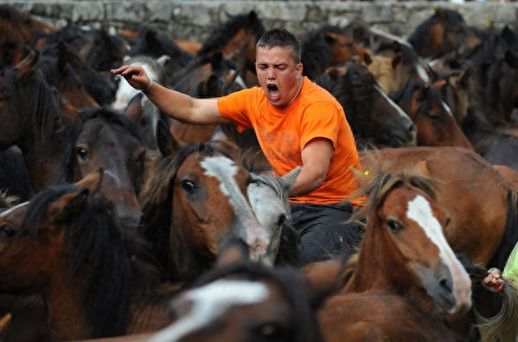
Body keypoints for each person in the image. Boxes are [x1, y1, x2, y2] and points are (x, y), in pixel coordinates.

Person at [112, 28, 363, 266]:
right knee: (239, 254)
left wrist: (262, 192)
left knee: (299, 266)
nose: (270, 75)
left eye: (280, 67)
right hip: (288, 206)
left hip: (337, 209)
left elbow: (315, 173)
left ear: (298, 70)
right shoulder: (254, 100)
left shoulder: (318, 106)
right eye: (263, 67)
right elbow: (191, 108)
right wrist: (148, 87)